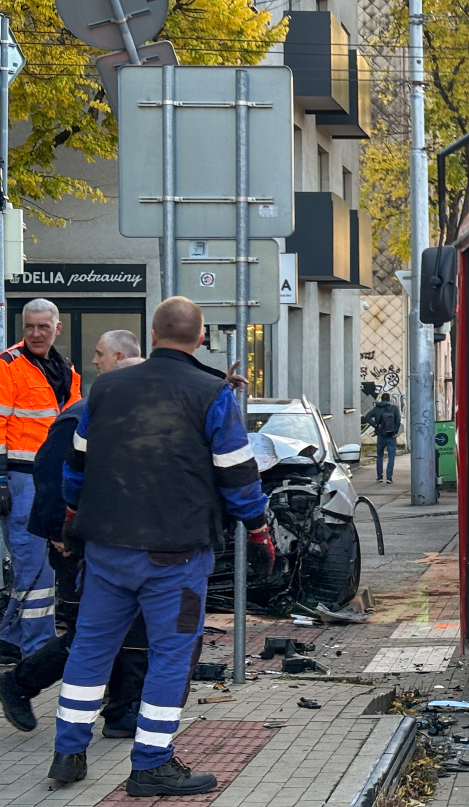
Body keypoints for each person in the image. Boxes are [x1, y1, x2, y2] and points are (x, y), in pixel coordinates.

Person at [50, 298, 274, 796]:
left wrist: (72, 517)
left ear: (151, 335)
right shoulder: (212, 394)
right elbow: (238, 476)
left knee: (90, 647)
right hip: (175, 556)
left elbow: (75, 467)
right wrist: (258, 528)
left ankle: (68, 753)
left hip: (106, 549)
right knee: (171, 655)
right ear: (199, 340)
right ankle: (151, 764)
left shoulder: (105, 388)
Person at [0, 337, 147, 737]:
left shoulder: (120, 418)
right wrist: (61, 535)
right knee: (91, 631)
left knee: (128, 628)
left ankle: (120, 712)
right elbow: (50, 479)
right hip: (75, 545)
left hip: (105, 542)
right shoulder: (79, 417)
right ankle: (20, 682)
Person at [0, 299, 82, 664]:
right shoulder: (8, 366)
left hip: (50, 480)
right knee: (34, 568)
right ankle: (36, 649)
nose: (35, 333)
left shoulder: (66, 370)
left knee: (38, 567)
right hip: (20, 479)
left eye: (43, 327)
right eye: (29, 327)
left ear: (57, 328)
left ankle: (12, 638)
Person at [362, 393, 401, 483]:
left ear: (381, 399)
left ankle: (379, 476)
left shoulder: (376, 408)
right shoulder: (394, 408)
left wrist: (375, 425)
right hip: (391, 436)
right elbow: (398, 421)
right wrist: (395, 432)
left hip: (380, 435)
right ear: (389, 399)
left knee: (380, 456)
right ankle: (389, 478)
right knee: (391, 457)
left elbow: (367, 417)